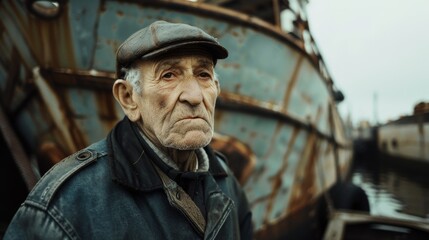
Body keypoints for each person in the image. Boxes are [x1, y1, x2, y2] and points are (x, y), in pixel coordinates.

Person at [4, 21, 253, 239]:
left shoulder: (225, 182)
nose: (195, 96)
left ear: (217, 88)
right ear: (128, 98)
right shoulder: (66, 205)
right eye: (168, 75)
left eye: (203, 74)